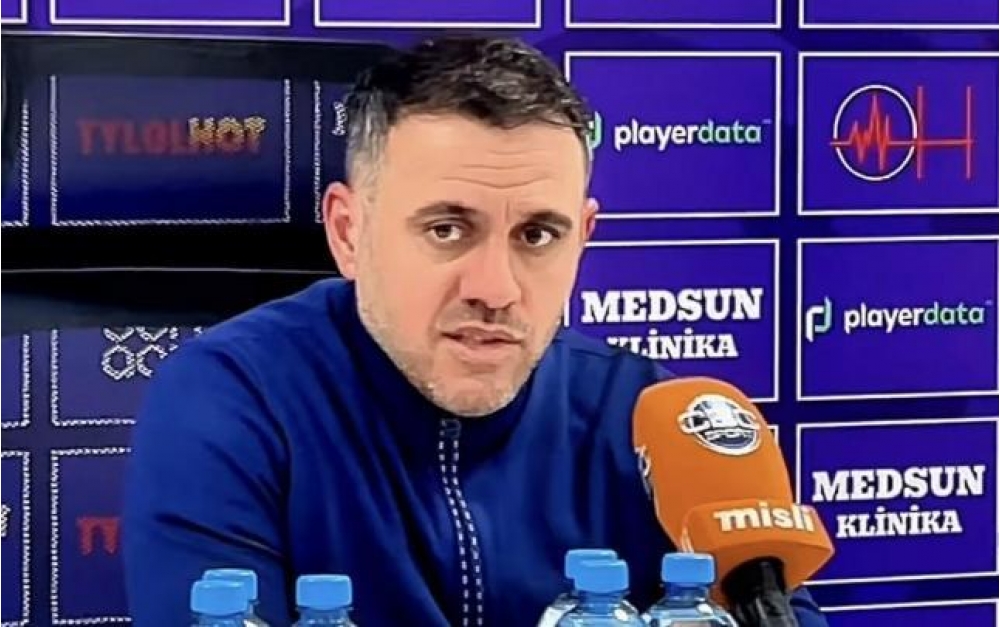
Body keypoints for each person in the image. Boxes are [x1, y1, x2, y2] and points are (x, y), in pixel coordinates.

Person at [121, 34, 827, 626]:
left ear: (583, 239)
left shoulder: (653, 421)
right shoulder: (236, 398)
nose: (495, 288)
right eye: (447, 229)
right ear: (348, 232)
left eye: (537, 235)